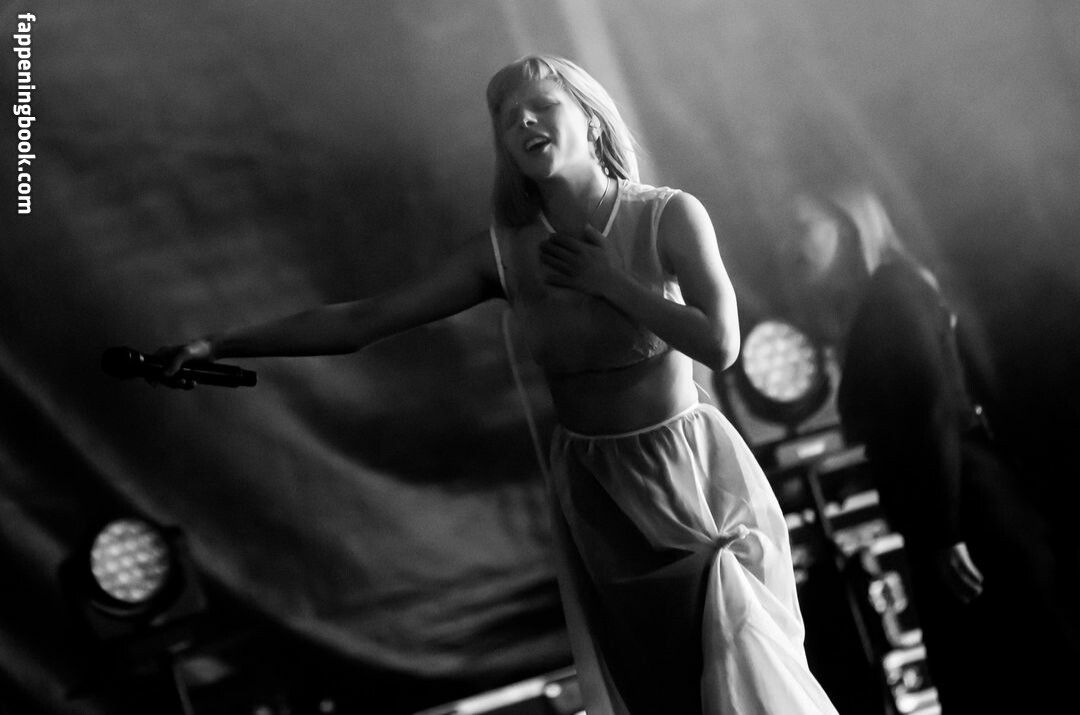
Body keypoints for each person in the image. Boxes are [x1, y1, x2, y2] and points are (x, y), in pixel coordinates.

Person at [158, 55, 838, 714]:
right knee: (663, 695)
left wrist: (611, 282)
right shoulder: (505, 251)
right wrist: (218, 344)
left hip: (690, 481)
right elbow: (362, 321)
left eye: (542, 106)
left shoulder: (668, 215)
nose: (524, 122)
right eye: (509, 118)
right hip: (598, 495)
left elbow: (721, 345)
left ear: (591, 118)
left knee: (742, 673)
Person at [784, 186, 1080, 713]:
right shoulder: (877, 300)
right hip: (949, 506)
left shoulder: (893, 292)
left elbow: (930, 408)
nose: (794, 245)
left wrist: (945, 530)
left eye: (806, 228)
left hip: (964, 505)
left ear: (848, 226)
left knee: (1018, 663)